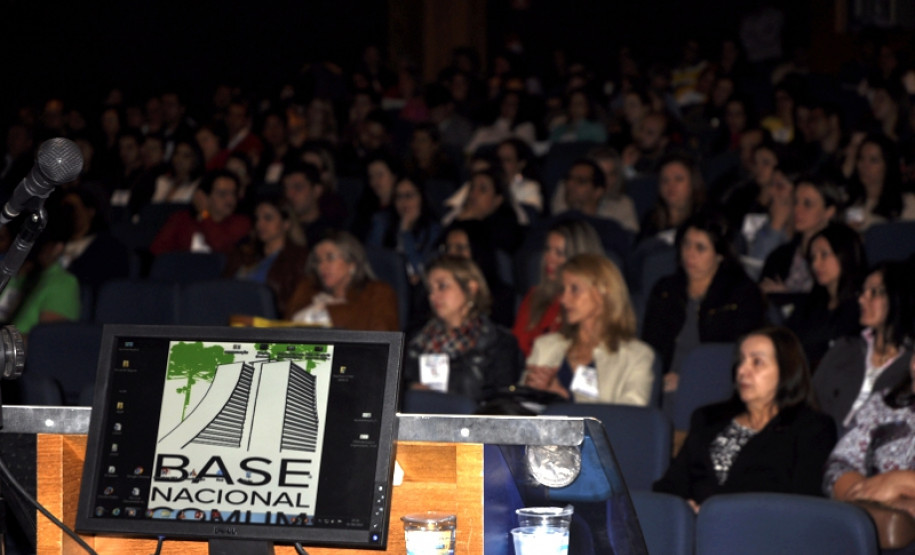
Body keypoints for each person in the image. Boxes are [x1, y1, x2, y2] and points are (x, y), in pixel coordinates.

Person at [653, 327, 837, 510]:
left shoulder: (812, 428)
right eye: (741, 361)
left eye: (757, 362)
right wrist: (683, 509)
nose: (742, 370)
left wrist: (717, 516)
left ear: (786, 370)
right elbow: (670, 486)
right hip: (694, 531)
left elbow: (803, 503)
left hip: (761, 532)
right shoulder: (708, 418)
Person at [642, 211, 766, 392]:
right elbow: (649, 348)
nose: (689, 254)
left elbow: (738, 357)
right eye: (686, 244)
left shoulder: (742, 294)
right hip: (663, 384)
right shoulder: (665, 290)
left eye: (700, 248)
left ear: (719, 255)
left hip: (714, 386)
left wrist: (688, 380)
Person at [523, 253, 655, 406]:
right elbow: (518, 416)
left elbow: (627, 421)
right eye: (563, 289)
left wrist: (565, 400)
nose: (563, 299)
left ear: (603, 292)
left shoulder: (636, 357)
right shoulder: (545, 346)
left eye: (574, 289)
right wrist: (530, 392)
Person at [402, 256, 523, 404]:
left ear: (471, 289)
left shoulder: (499, 343)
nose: (433, 296)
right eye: (430, 289)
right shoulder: (415, 340)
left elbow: (500, 407)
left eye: (442, 286)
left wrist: (443, 398)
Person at [813, 261, 915, 435]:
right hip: (821, 443)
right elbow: (812, 401)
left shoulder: (910, 364)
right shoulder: (845, 347)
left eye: (874, 292)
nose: (861, 299)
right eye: (862, 291)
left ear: (897, 298)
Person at [823, 352, 915, 532]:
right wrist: (867, 503)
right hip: (867, 526)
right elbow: (840, 465)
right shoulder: (883, 404)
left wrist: (902, 482)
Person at [512, 220, 605, 358]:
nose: (549, 258)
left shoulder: (594, 305)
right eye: (548, 249)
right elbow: (515, 349)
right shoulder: (535, 296)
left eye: (559, 253)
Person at [785, 222, 865, 369]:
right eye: (813, 257)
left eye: (824, 255)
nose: (816, 264)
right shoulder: (809, 304)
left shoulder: (862, 304)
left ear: (845, 255)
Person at [284, 230, 398, 331]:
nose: (322, 266)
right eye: (318, 261)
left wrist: (328, 311)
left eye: (330, 258)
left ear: (352, 264)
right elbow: (287, 329)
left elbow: (383, 339)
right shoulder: (309, 290)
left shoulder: (378, 292)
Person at [223, 195, 308, 317]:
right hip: (234, 317)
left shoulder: (298, 258)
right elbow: (223, 288)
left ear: (286, 223)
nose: (260, 224)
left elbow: (293, 303)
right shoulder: (243, 254)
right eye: (257, 219)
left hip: (267, 323)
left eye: (268, 218)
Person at [760, 175, 841, 295]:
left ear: (829, 211)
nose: (797, 209)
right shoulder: (780, 255)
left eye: (807, 204)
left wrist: (787, 296)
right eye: (796, 202)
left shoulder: (838, 257)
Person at [150, 169, 251, 255]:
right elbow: (157, 250)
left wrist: (204, 214)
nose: (230, 200)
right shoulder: (181, 219)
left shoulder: (240, 223)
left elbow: (219, 245)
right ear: (204, 196)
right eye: (222, 194)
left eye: (233, 194)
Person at [638, 152, 705, 245]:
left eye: (678, 179)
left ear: (693, 183)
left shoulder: (704, 219)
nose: (671, 185)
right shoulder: (651, 220)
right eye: (665, 180)